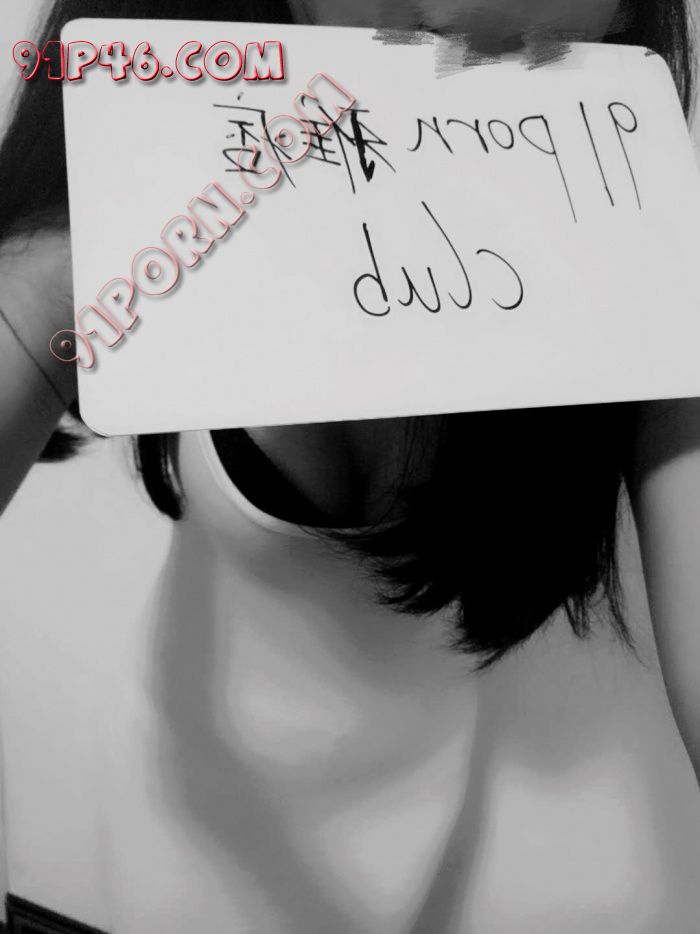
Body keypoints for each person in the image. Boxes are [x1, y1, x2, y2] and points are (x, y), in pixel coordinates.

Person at [0, 0, 699, 931]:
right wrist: (70, 262)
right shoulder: (135, 200)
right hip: (190, 850)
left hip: (532, 873)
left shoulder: (645, 262)